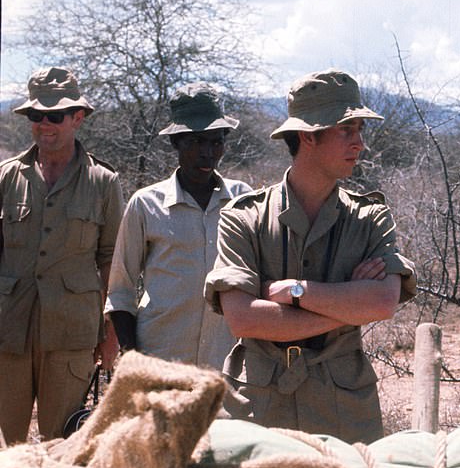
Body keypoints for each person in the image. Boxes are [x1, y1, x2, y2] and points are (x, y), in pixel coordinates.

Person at [204, 68, 416, 444]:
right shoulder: (244, 216)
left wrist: (297, 291)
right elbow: (242, 319)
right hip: (258, 406)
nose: (360, 144)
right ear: (308, 136)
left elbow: (382, 302)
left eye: (360, 131)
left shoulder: (369, 217)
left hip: (342, 408)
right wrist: (346, 309)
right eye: (346, 131)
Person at [0, 66, 123, 445]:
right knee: (8, 447)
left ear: (77, 118)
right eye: (36, 116)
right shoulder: (7, 177)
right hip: (10, 332)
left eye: (54, 115)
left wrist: (111, 335)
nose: (44, 124)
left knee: (62, 443)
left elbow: (113, 264)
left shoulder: (103, 182)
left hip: (71, 334)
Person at [106, 83, 251, 369]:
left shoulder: (243, 200)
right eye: (195, 142)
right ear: (176, 142)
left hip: (229, 364)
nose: (207, 153)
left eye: (215, 141)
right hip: (162, 360)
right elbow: (120, 290)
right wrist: (132, 358)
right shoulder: (146, 204)